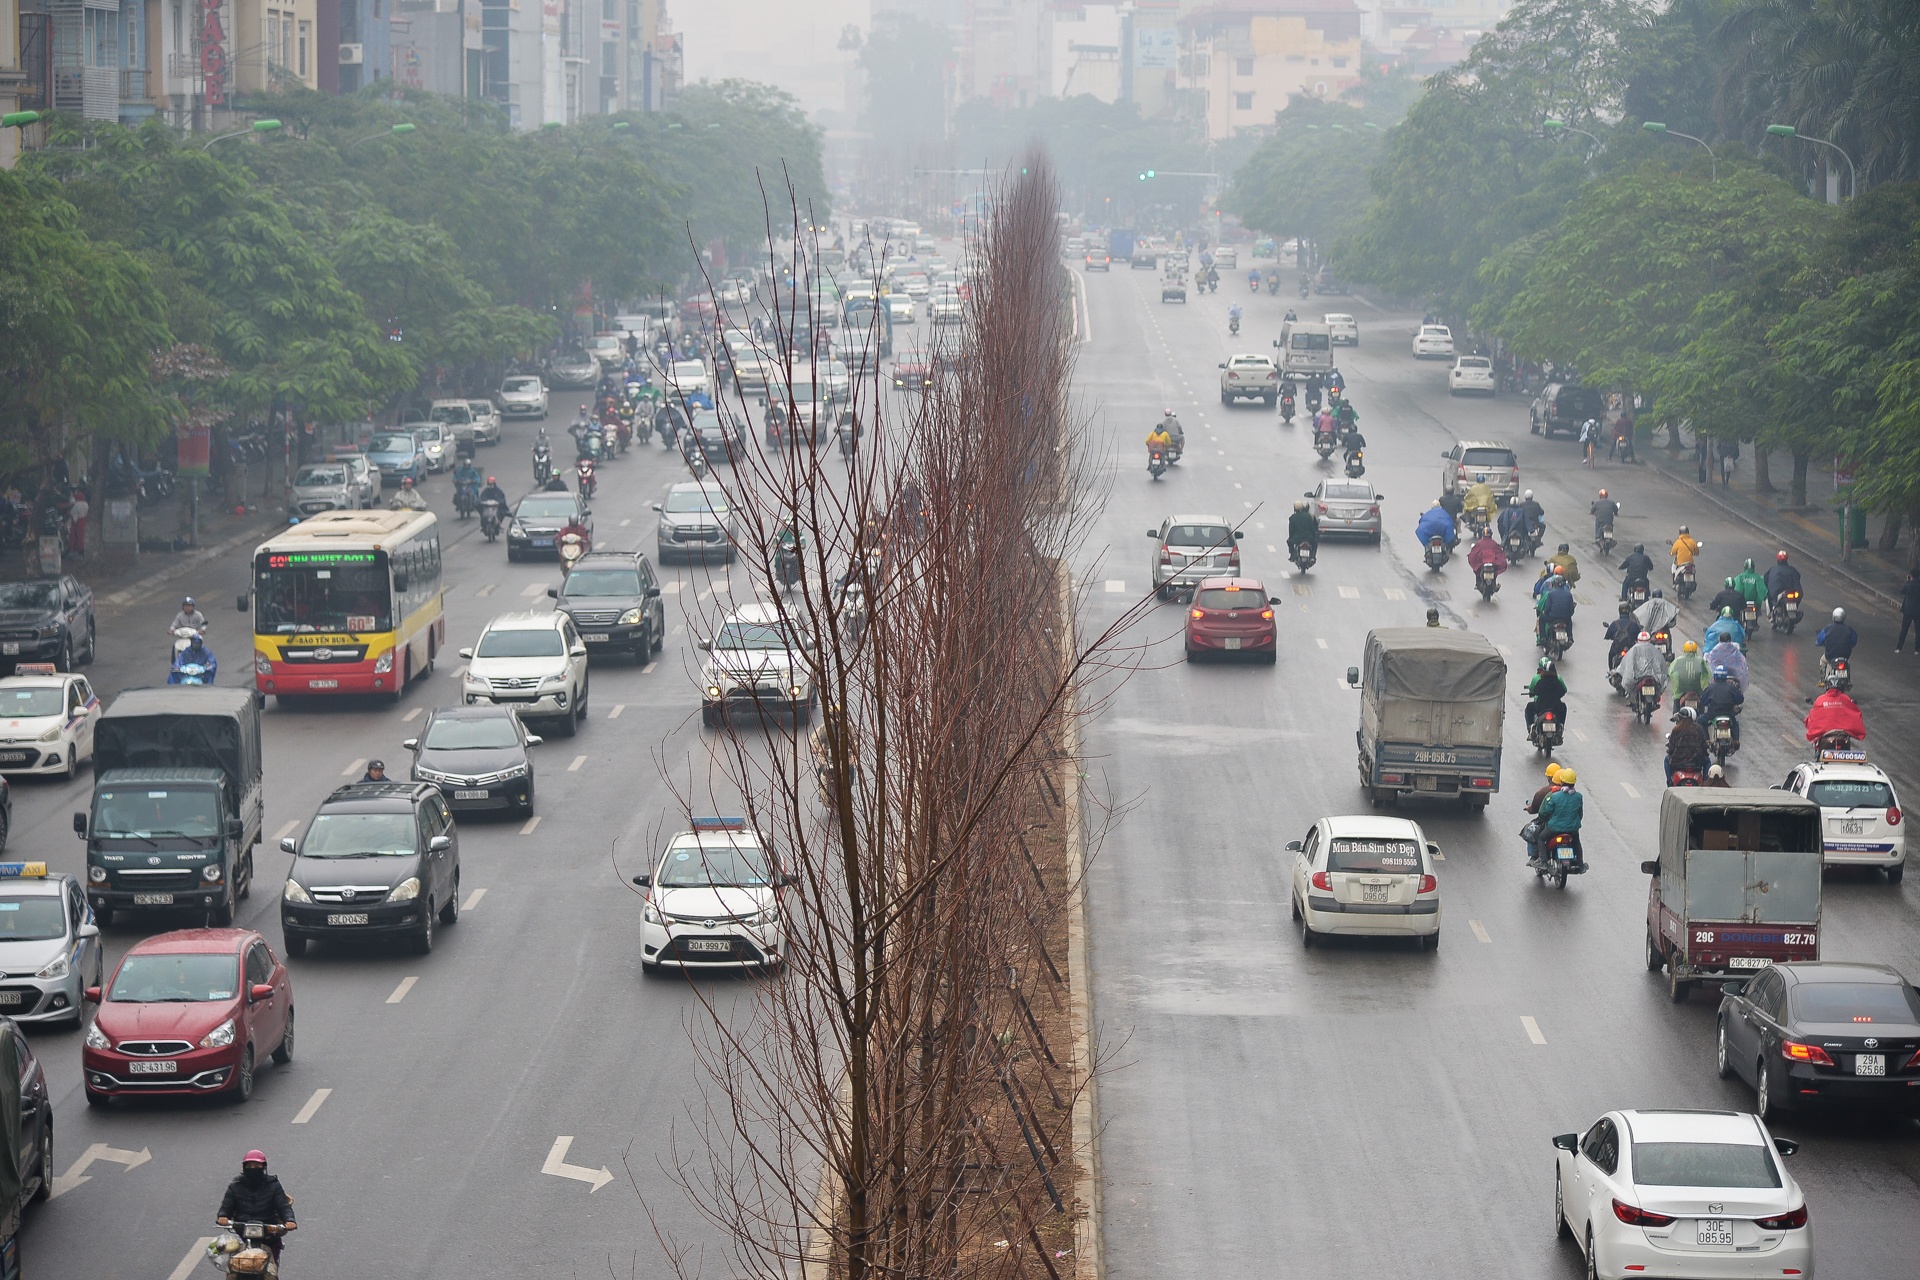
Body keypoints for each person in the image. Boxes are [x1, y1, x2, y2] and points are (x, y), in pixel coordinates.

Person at [217, 1150, 296, 1265]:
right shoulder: (235, 1187)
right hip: (241, 1233)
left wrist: (289, 1220)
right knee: (232, 1265)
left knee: (271, 1267)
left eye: (257, 1165)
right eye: (250, 1166)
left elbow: (283, 1206)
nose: (253, 1168)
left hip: (269, 1233)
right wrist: (223, 1216)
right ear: (244, 1167)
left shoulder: (274, 1186)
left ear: (264, 1167)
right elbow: (226, 1206)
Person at [1536, 767, 1585, 867]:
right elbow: (1580, 814)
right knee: (1576, 842)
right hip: (1572, 829)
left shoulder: (1555, 796)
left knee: (1541, 839)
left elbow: (1546, 812)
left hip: (1554, 828)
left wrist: (1543, 818)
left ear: (1561, 782)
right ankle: (1580, 864)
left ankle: (1543, 862)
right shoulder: (1578, 797)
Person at [1700, 666, 1745, 743]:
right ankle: (1736, 740)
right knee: (1734, 723)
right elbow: (1740, 699)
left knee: (1700, 721)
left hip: (1713, 714)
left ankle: (1706, 741)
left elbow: (1703, 701)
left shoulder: (1710, 688)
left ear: (1715, 676)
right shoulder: (1731, 687)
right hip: (1728, 714)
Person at [1665, 707, 1711, 782]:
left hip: (1679, 763)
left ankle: (1669, 781)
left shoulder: (1676, 729)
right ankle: (1706, 781)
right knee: (1707, 761)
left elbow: (1671, 749)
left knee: (1667, 760)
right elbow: (1704, 747)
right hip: (1697, 763)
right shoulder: (1698, 728)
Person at [1623, 630, 1668, 703]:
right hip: (1651, 676)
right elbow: (1660, 663)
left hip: (1640, 676)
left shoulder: (1634, 649)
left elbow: (1629, 664)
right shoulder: (1654, 649)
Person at [1526, 658, 1566, 732]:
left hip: (1541, 707)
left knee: (1529, 707)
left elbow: (1535, 691)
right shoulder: (1557, 682)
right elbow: (1563, 691)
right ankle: (1561, 726)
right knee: (1563, 706)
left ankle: (1531, 727)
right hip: (1555, 707)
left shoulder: (1540, 682)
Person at [1536, 575, 1577, 649]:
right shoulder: (1569, 594)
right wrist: (1568, 615)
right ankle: (1570, 637)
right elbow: (1571, 609)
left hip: (1552, 617)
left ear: (1555, 584)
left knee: (1541, 619)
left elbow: (1548, 608)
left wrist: (1544, 612)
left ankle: (1543, 638)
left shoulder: (1550, 593)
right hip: (1565, 618)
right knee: (1569, 621)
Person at [1603, 602, 1639, 670]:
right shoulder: (1634, 624)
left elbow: (1607, 636)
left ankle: (1611, 671)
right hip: (1630, 649)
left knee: (1611, 655)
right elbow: (1638, 636)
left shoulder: (1614, 624)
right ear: (1629, 611)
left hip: (1617, 649)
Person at [1901, 569, 1920, 653]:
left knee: (1904, 630)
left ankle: (1899, 647)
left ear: (1911, 576)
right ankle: (1917, 649)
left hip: (1908, 610)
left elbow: (1902, 591)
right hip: (1918, 611)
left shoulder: (1909, 585)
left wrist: (1907, 581)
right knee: (1918, 631)